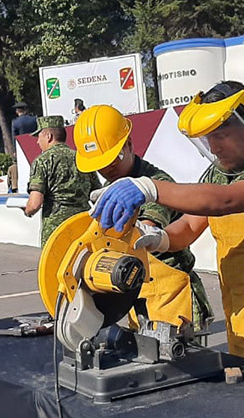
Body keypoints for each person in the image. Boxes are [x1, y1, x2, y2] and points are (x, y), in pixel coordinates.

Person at [91, 81, 244, 374]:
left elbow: (226, 201)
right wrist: (160, 239)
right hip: (241, 316)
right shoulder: (218, 171)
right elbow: (190, 224)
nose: (213, 147)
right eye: (207, 140)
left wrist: (149, 187)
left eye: (220, 136)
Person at [74, 105, 213, 330]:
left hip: (171, 295)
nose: (108, 169)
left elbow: (145, 228)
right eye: (100, 165)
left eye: (113, 159)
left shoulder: (156, 183)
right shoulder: (109, 188)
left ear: (129, 144)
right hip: (135, 292)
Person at [23, 115, 100, 245]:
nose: (37, 142)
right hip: (83, 226)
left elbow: (35, 203)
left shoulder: (42, 161)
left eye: (39, 137)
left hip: (56, 230)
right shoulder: (82, 158)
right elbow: (97, 194)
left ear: (48, 136)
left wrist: (27, 210)